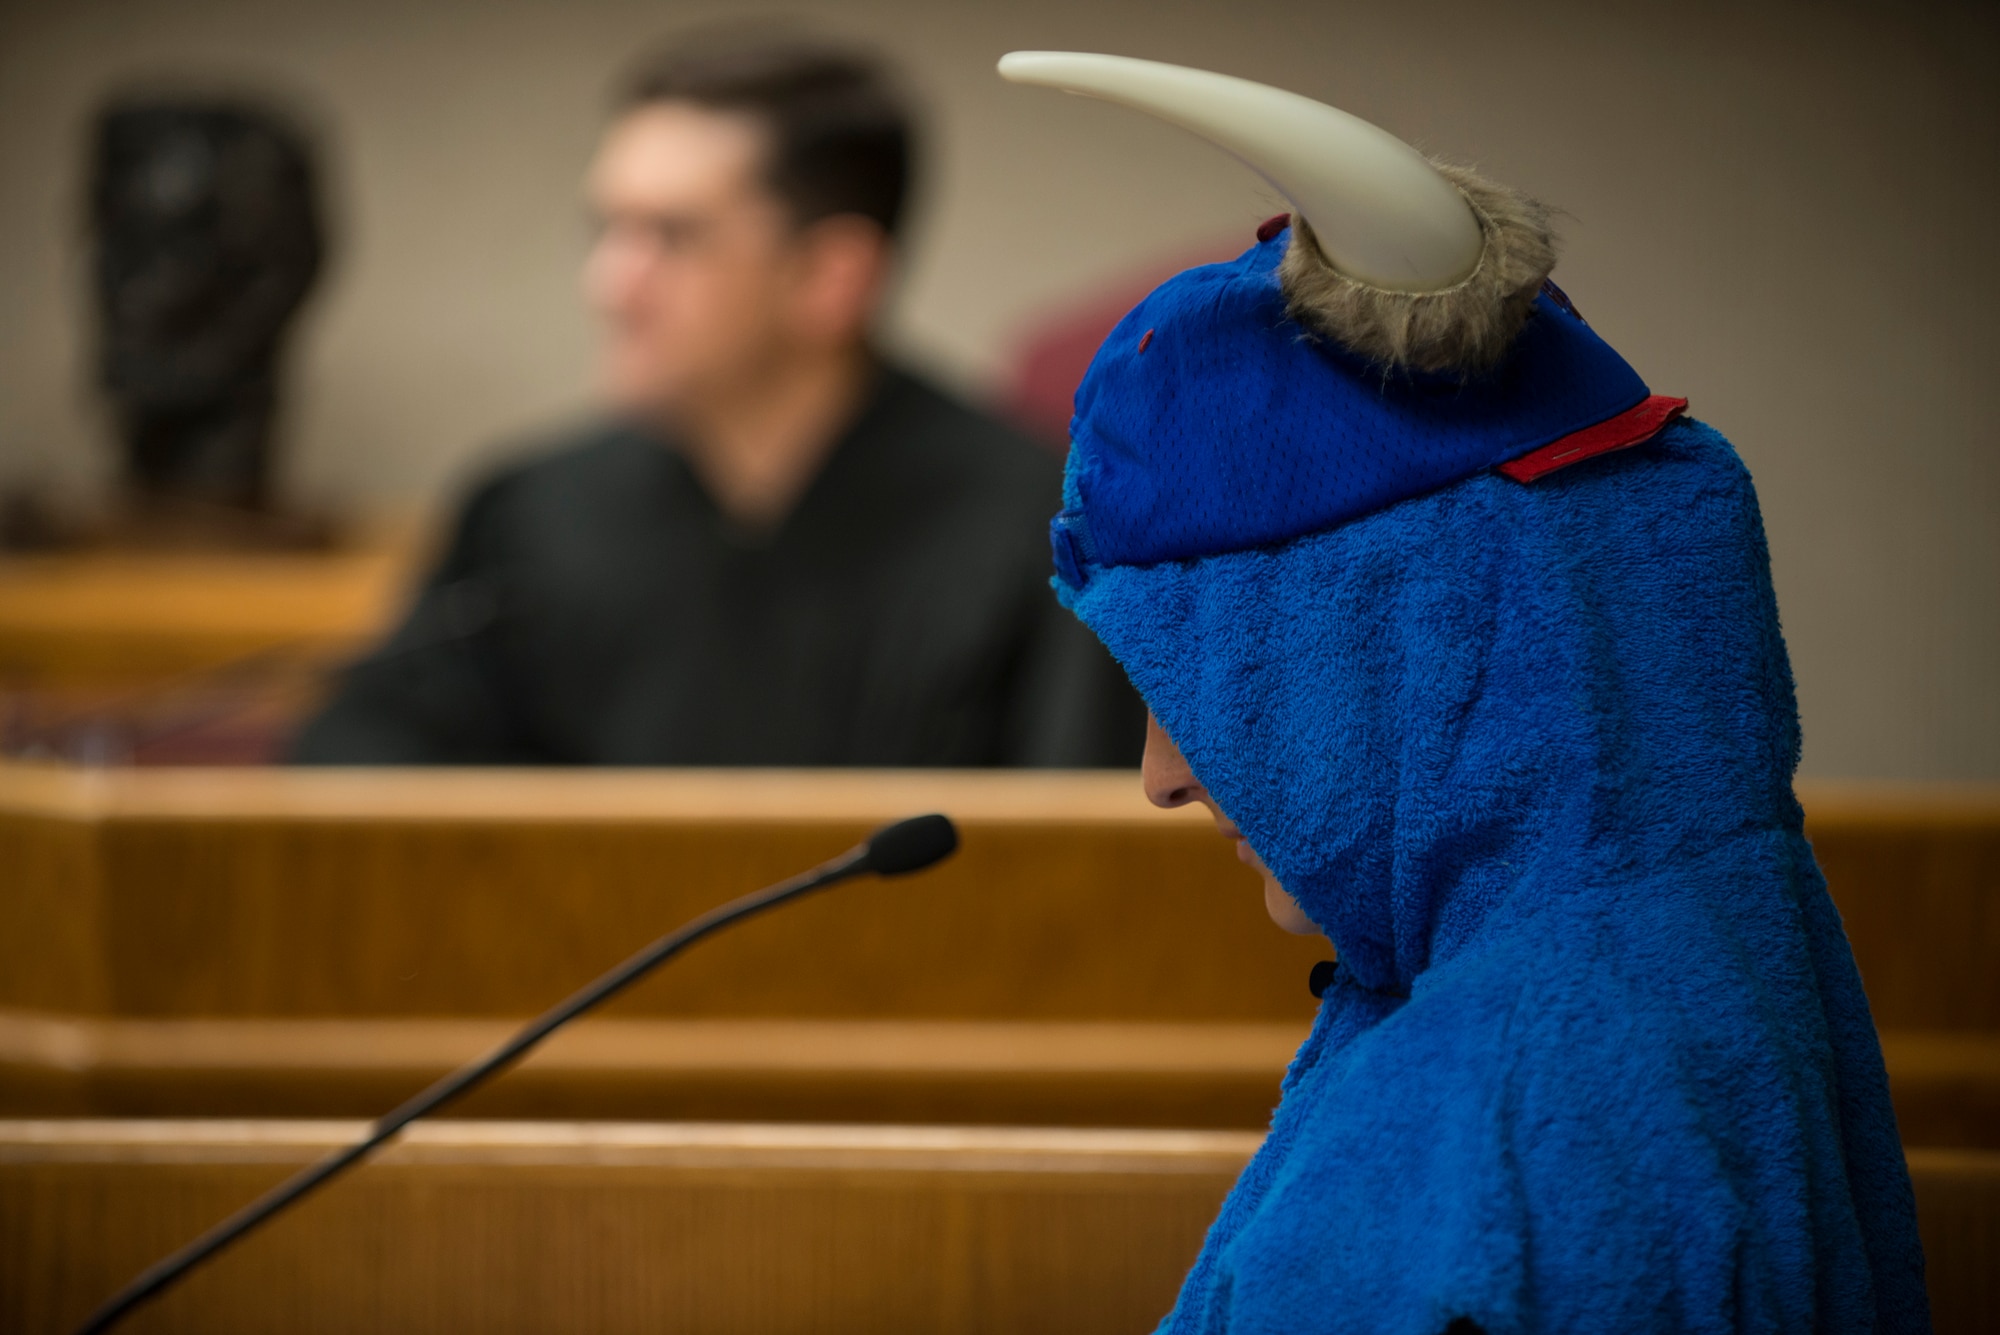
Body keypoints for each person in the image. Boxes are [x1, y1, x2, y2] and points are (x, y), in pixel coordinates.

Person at [1000, 53, 1928, 1333]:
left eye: (1204, 679)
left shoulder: (1507, 1128)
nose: (1160, 773)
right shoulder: (1696, 973)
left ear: (1395, 637)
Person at [292, 34, 1142, 766]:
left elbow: (1073, 850)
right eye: (607, 231)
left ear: (830, 276)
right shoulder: (530, 517)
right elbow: (366, 764)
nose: (610, 285)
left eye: (672, 237)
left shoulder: (1040, 528)